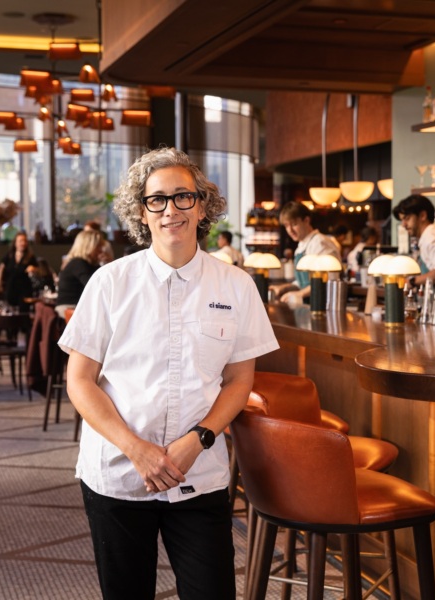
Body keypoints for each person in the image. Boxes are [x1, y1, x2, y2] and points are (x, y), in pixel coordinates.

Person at [59, 147, 279, 600]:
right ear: (142, 212)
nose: (170, 210)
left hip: (198, 473)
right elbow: (79, 381)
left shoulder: (237, 286)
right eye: (156, 199)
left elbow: (239, 381)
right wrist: (136, 450)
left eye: (183, 196)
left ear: (201, 205)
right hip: (119, 474)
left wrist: (198, 439)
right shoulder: (110, 282)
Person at [269, 201, 341, 306]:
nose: (290, 230)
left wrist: (300, 294)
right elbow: (302, 283)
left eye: (294, 224)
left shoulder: (320, 243)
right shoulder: (301, 246)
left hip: (323, 304)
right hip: (307, 305)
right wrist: (284, 288)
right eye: (286, 226)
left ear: (306, 220)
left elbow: (330, 279)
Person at [393, 194, 435, 288]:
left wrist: (412, 281)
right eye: (402, 220)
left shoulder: (431, 236)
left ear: (423, 216)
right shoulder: (429, 235)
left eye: (407, 218)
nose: (403, 225)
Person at [55, 230, 104, 319]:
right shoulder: (78, 263)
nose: (101, 250)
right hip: (70, 308)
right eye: (98, 246)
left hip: (77, 307)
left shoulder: (90, 264)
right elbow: (94, 286)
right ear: (89, 247)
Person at [0, 231, 38, 310]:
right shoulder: (9, 255)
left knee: (23, 311)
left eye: (24, 241)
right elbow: (1, 268)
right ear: (15, 243)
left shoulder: (30, 257)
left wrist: (33, 270)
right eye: (20, 241)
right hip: (10, 288)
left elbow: (37, 270)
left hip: (24, 290)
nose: (23, 243)